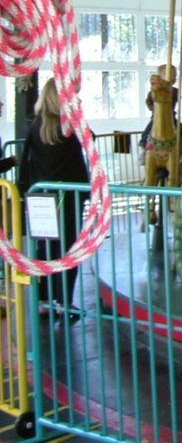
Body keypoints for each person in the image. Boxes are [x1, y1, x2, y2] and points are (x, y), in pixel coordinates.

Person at [17, 78, 90, 320]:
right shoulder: (68, 127)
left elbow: (27, 160)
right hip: (66, 198)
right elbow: (90, 140)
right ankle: (64, 302)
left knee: (43, 250)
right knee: (67, 251)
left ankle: (43, 301)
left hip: (40, 199)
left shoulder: (35, 125)